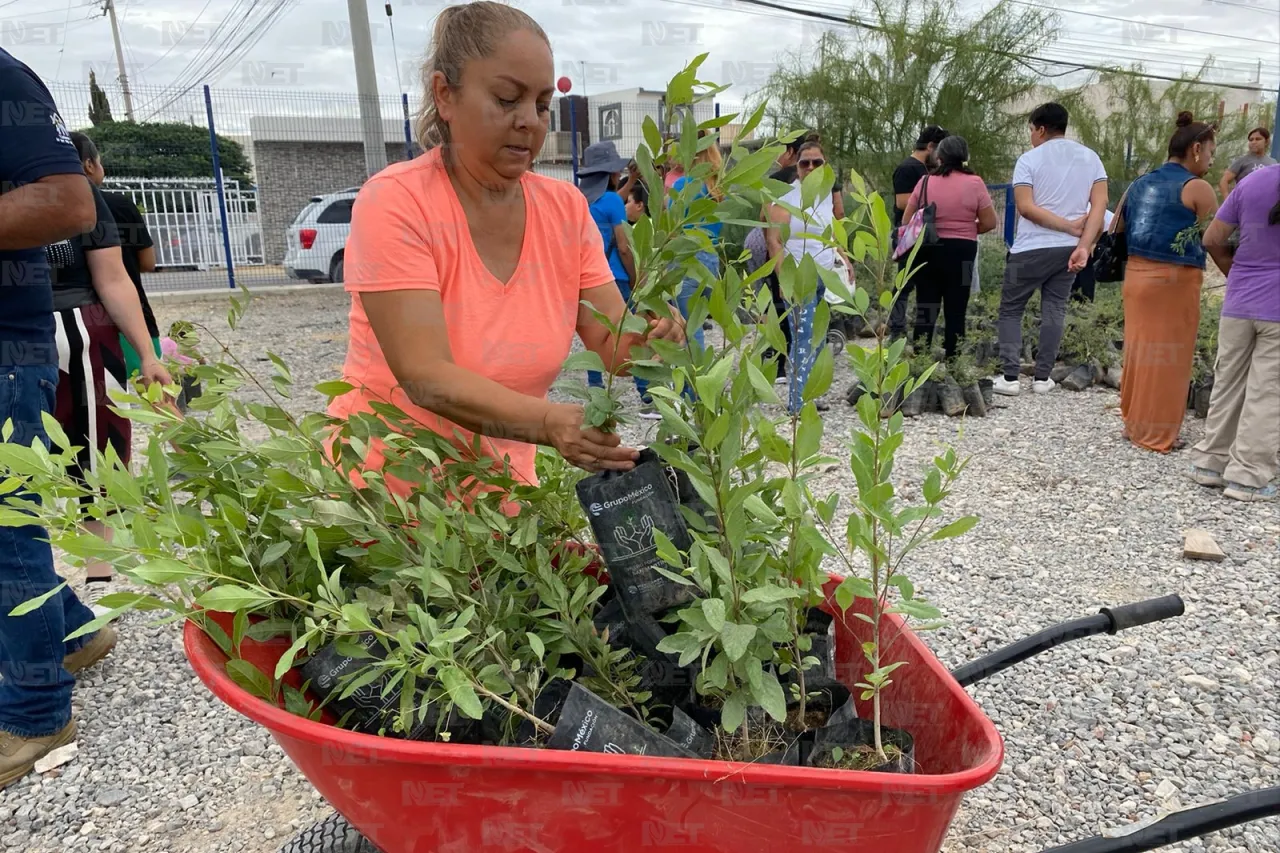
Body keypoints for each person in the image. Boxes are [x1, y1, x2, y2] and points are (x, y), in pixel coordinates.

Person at [328, 2, 684, 489]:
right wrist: (549, 422)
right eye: (506, 99)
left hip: (504, 495)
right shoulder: (396, 203)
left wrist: (653, 337)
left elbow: (610, 344)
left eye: (540, 105)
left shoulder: (564, 209)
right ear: (445, 95)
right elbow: (425, 375)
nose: (530, 122)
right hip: (390, 494)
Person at [0, 46, 112, 790]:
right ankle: (71, 627)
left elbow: (69, 202)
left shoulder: (5, 79)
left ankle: (37, 714)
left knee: (7, 528)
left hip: (9, 347)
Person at [1116, 111, 1218, 454]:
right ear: (1197, 149)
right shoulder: (1197, 187)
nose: (1211, 161)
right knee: (1170, 357)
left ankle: (1134, 422)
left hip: (1136, 276)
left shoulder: (1139, 183)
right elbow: (1218, 237)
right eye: (1211, 153)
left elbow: (1117, 230)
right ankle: (1157, 434)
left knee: (1140, 351)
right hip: (1174, 281)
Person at [993, 103, 1108, 396]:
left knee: (1011, 309)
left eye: (1031, 130)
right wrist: (1083, 243)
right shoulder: (1091, 158)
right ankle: (1043, 378)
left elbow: (1026, 208)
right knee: (1055, 308)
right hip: (1068, 251)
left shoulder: (1028, 160)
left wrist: (1068, 227)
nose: (1031, 136)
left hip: (1030, 248)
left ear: (1041, 129)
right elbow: (1100, 206)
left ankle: (1009, 378)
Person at [1191, 163, 1279, 501]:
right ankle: (1249, 475)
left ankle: (1210, 463)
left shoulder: (1255, 179)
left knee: (1227, 381)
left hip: (1240, 300)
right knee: (1267, 392)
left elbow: (1212, 238)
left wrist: (1238, 274)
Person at [71, 133, 162, 379]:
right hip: (132, 319)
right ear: (90, 165)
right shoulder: (119, 205)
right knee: (156, 397)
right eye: (99, 161)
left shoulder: (51, 210)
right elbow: (148, 262)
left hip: (81, 324)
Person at [900, 135, 998, 358]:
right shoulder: (975, 183)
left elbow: (907, 221)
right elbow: (990, 222)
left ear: (939, 156)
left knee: (926, 307)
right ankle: (954, 363)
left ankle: (921, 360)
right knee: (957, 309)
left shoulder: (925, 182)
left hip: (927, 250)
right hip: (963, 252)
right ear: (965, 157)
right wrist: (968, 229)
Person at [577, 140, 653, 417]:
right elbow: (623, 245)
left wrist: (630, 179)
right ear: (611, 173)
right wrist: (637, 279)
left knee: (595, 335)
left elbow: (612, 200)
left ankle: (597, 394)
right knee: (629, 334)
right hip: (616, 278)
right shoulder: (611, 201)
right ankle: (647, 396)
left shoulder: (582, 201)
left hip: (587, 279)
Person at [766, 140, 841, 413]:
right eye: (804, 162)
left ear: (825, 166)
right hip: (797, 275)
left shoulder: (826, 195)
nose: (810, 168)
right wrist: (784, 280)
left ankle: (811, 393)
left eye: (816, 163)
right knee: (801, 338)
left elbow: (830, 232)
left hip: (824, 274)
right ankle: (798, 403)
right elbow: (773, 241)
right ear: (796, 166)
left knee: (818, 335)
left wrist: (842, 256)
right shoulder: (786, 197)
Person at [889, 125, 950, 339]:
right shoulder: (908, 168)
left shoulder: (925, 169)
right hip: (909, 234)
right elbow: (902, 201)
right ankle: (896, 329)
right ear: (931, 147)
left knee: (922, 282)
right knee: (904, 283)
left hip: (925, 234)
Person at [670, 137, 723, 353]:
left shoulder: (683, 186)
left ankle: (692, 385)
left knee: (687, 329)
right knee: (697, 324)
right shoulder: (717, 189)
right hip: (711, 261)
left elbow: (673, 227)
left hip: (687, 260)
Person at [1069, 207, 1114, 303]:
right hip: (1098, 229)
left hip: (1106, 230)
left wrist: (1093, 242)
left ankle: (1087, 300)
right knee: (1081, 262)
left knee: (1087, 264)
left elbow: (1099, 222)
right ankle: (1073, 293)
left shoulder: (1081, 207)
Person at [1218, 127, 1275, 198]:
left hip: (1266, 203)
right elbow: (1224, 181)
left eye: (1258, 139)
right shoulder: (1242, 160)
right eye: (1251, 140)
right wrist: (1228, 201)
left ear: (1266, 141)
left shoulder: (1273, 163)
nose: (1253, 142)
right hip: (1245, 203)